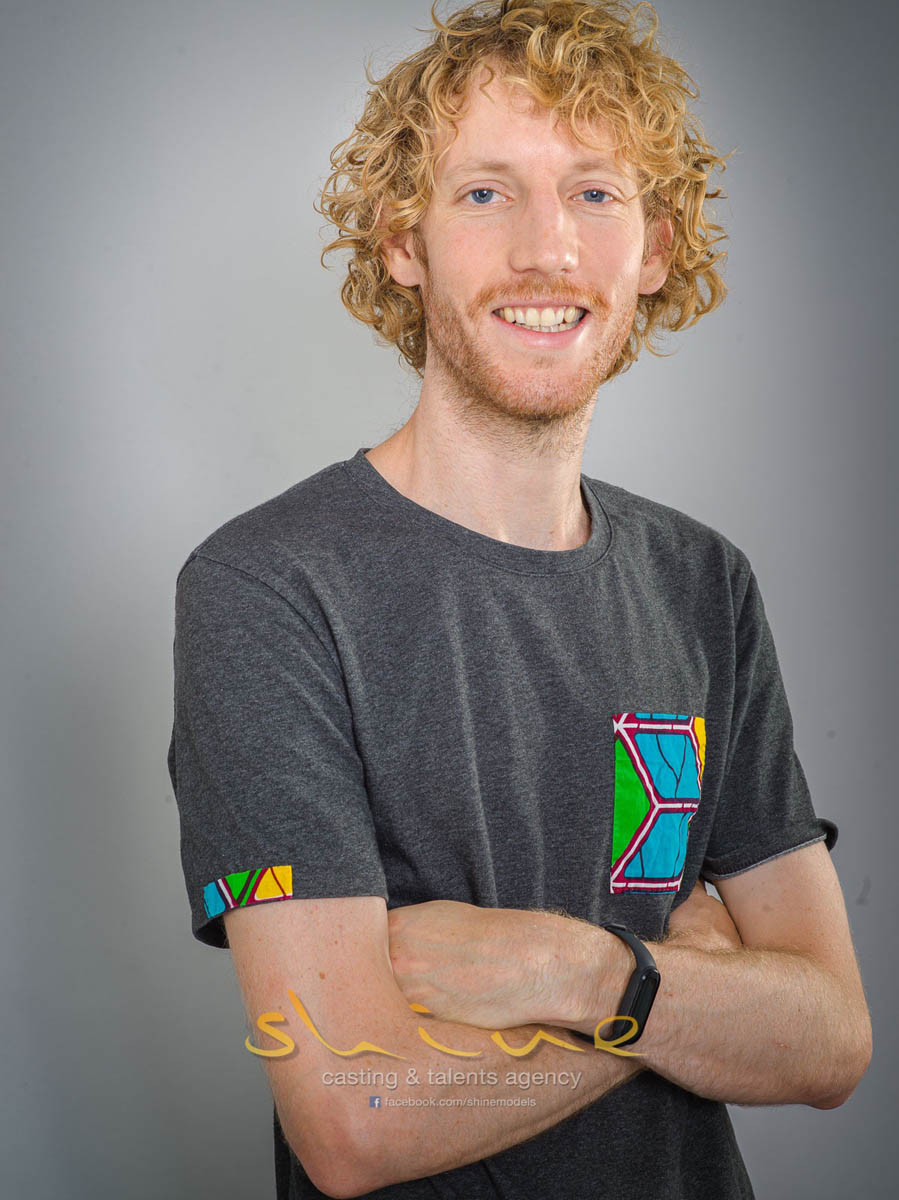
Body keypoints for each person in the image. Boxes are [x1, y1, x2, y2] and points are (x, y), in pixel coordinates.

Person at [166, 2, 872, 1197]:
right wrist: (683, 982)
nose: (547, 250)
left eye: (593, 193)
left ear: (654, 247)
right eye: (486, 192)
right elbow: (355, 1118)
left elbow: (832, 1041)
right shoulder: (267, 589)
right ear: (404, 241)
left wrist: (585, 975)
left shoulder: (702, 581)